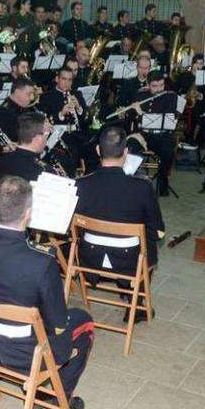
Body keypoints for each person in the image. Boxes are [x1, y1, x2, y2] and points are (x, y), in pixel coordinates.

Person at [0, 176, 92, 409]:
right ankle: (58, 404)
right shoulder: (42, 261)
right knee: (83, 321)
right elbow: (57, 323)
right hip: (26, 354)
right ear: (28, 213)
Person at [75, 126, 165, 322]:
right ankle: (136, 303)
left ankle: (126, 287)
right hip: (129, 261)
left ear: (98, 151)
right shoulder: (142, 187)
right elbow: (158, 229)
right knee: (150, 241)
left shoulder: (81, 184)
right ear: (125, 153)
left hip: (90, 257)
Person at [0, 111, 53, 181]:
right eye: (47, 135)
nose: (46, 139)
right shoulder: (43, 171)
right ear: (38, 137)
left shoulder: (2, 160)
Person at [0, 76, 36, 142]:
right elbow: (13, 137)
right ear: (17, 92)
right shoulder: (4, 112)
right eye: (29, 94)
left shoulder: (23, 107)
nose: (32, 98)